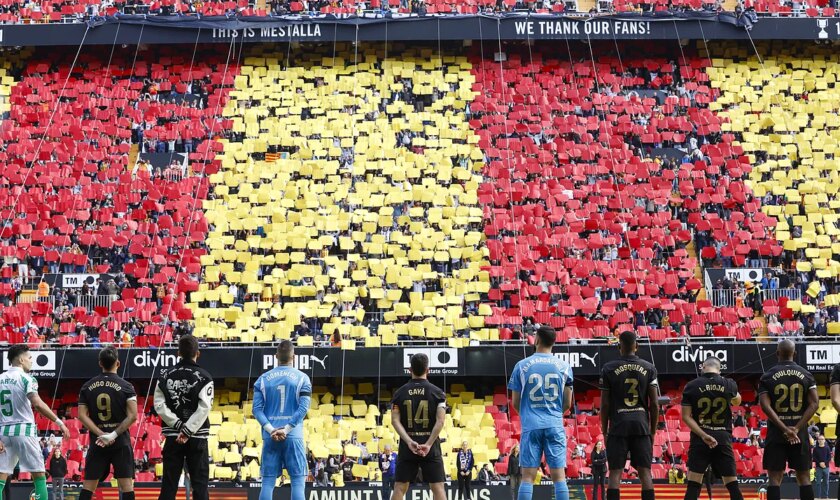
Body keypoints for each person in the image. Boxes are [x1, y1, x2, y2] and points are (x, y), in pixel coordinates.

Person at [508, 325, 574, 500]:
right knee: (559, 478)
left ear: (536, 339)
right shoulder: (565, 366)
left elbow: (515, 402)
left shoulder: (521, 366)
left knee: (527, 478)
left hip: (531, 426)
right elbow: (568, 403)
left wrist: (529, 415)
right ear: (554, 342)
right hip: (554, 425)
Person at [0, 345, 69, 499]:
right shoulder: (27, 378)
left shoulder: (0, 379)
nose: (32, 361)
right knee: (38, 475)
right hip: (24, 430)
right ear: (21, 359)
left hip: (3, 433)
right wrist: (59, 422)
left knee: (1, 477)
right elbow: (37, 404)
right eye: (30, 358)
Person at [600, 331, 659, 500]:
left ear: (619, 347)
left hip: (618, 425)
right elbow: (654, 404)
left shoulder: (609, 368)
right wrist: (652, 431)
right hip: (641, 425)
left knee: (615, 474)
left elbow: (604, 405)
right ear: (637, 346)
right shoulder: (649, 367)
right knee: (645, 473)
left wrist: (605, 430)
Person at [154, 335, 214, 500]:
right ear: (198, 353)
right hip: (197, 436)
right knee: (200, 485)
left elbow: (159, 405)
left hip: (173, 436)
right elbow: (205, 407)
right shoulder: (205, 376)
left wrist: (179, 425)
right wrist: (188, 430)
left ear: (178, 352)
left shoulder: (165, 376)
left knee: (169, 485)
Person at [758, 339, 819, 500]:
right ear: (795, 354)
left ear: (777, 353)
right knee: (804, 477)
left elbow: (765, 406)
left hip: (776, 433)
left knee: (774, 479)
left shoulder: (767, 376)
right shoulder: (806, 374)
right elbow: (814, 404)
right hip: (800, 434)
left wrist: (784, 429)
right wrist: (796, 428)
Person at [252, 340, 312, 500]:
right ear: (294, 356)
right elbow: (303, 408)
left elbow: (256, 410)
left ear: (276, 356)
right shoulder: (303, 378)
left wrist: (272, 430)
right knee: (298, 483)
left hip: (270, 436)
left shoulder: (262, 379)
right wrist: (286, 429)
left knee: (267, 484)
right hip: (293, 436)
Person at [77, 347, 138, 500]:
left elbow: (81, 415)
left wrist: (102, 434)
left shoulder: (87, 386)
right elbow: (133, 416)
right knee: (126, 486)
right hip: (121, 442)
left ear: (100, 363)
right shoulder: (127, 387)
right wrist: (113, 434)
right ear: (118, 363)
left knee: (88, 487)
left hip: (98, 442)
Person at [680, 356, 744, 500]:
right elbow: (737, 401)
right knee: (732, 485)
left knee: (694, 484)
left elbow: (686, 416)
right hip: (722, 437)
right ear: (719, 369)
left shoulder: (691, 385)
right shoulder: (729, 384)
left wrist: (703, 435)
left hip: (700, 437)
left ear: (703, 366)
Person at [389, 353, 447, 500]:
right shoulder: (438, 393)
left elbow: (395, 421)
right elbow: (440, 421)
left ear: (410, 369)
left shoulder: (399, 393)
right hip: (431, 446)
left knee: (400, 487)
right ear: (428, 370)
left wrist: (409, 442)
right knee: (438, 487)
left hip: (407, 445)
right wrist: (428, 444)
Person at [812, 435, 831, 500]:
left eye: (822, 439)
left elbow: (829, 457)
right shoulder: (815, 449)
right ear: (818, 440)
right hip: (818, 467)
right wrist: (820, 463)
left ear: (824, 440)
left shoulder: (827, 448)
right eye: (819, 439)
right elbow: (814, 458)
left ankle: (825, 496)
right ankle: (818, 497)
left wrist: (824, 463)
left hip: (826, 467)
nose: (821, 440)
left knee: (826, 482)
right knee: (818, 483)